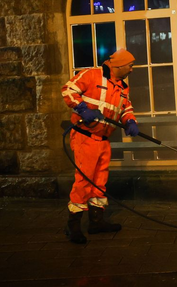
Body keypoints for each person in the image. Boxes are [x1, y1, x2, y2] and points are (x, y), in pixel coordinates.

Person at [61, 49, 139, 244]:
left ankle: (96, 222)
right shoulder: (91, 75)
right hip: (85, 137)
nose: (132, 69)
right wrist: (82, 109)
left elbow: (125, 108)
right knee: (84, 180)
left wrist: (130, 120)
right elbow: (68, 90)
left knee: (99, 180)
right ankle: (73, 225)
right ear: (120, 65)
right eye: (130, 65)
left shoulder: (122, 87)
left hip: (103, 140)